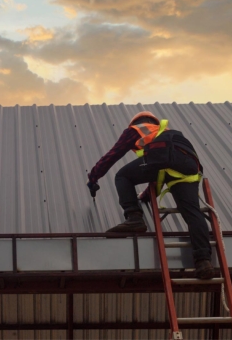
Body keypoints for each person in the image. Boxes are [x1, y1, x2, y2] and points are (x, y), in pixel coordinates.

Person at [86, 111, 213, 279]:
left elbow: (113, 154)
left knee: (122, 176)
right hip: (189, 167)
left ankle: (134, 218)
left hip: (164, 160)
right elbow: (160, 174)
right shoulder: (166, 133)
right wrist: (145, 196)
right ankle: (204, 262)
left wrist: (93, 177)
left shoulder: (136, 129)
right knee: (192, 212)